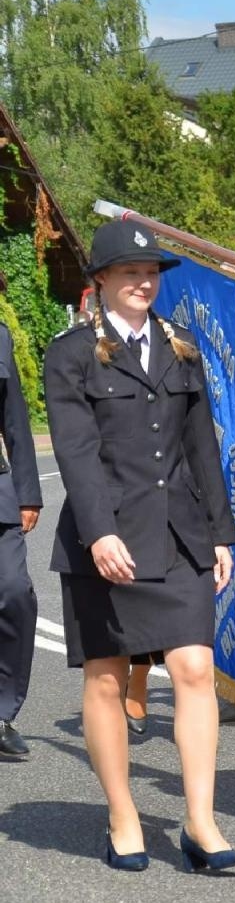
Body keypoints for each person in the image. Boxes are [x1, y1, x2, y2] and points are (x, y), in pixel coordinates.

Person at [45, 220, 235, 872]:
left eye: (151, 271)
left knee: (191, 668)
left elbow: (201, 448)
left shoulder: (182, 348)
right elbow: (74, 449)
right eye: (129, 272)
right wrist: (99, 529)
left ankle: (200, 820)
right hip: (107, 538)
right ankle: (123, 814)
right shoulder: (71, 353)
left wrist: (220, 531)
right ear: (100, 281)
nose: (143, 281)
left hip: (179, 534)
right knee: (105, 677)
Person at [0, 312, 41, 759]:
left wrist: (27, 492)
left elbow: (15, 416)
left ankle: (2, 713)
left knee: (14, 592)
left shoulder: (0, 337)